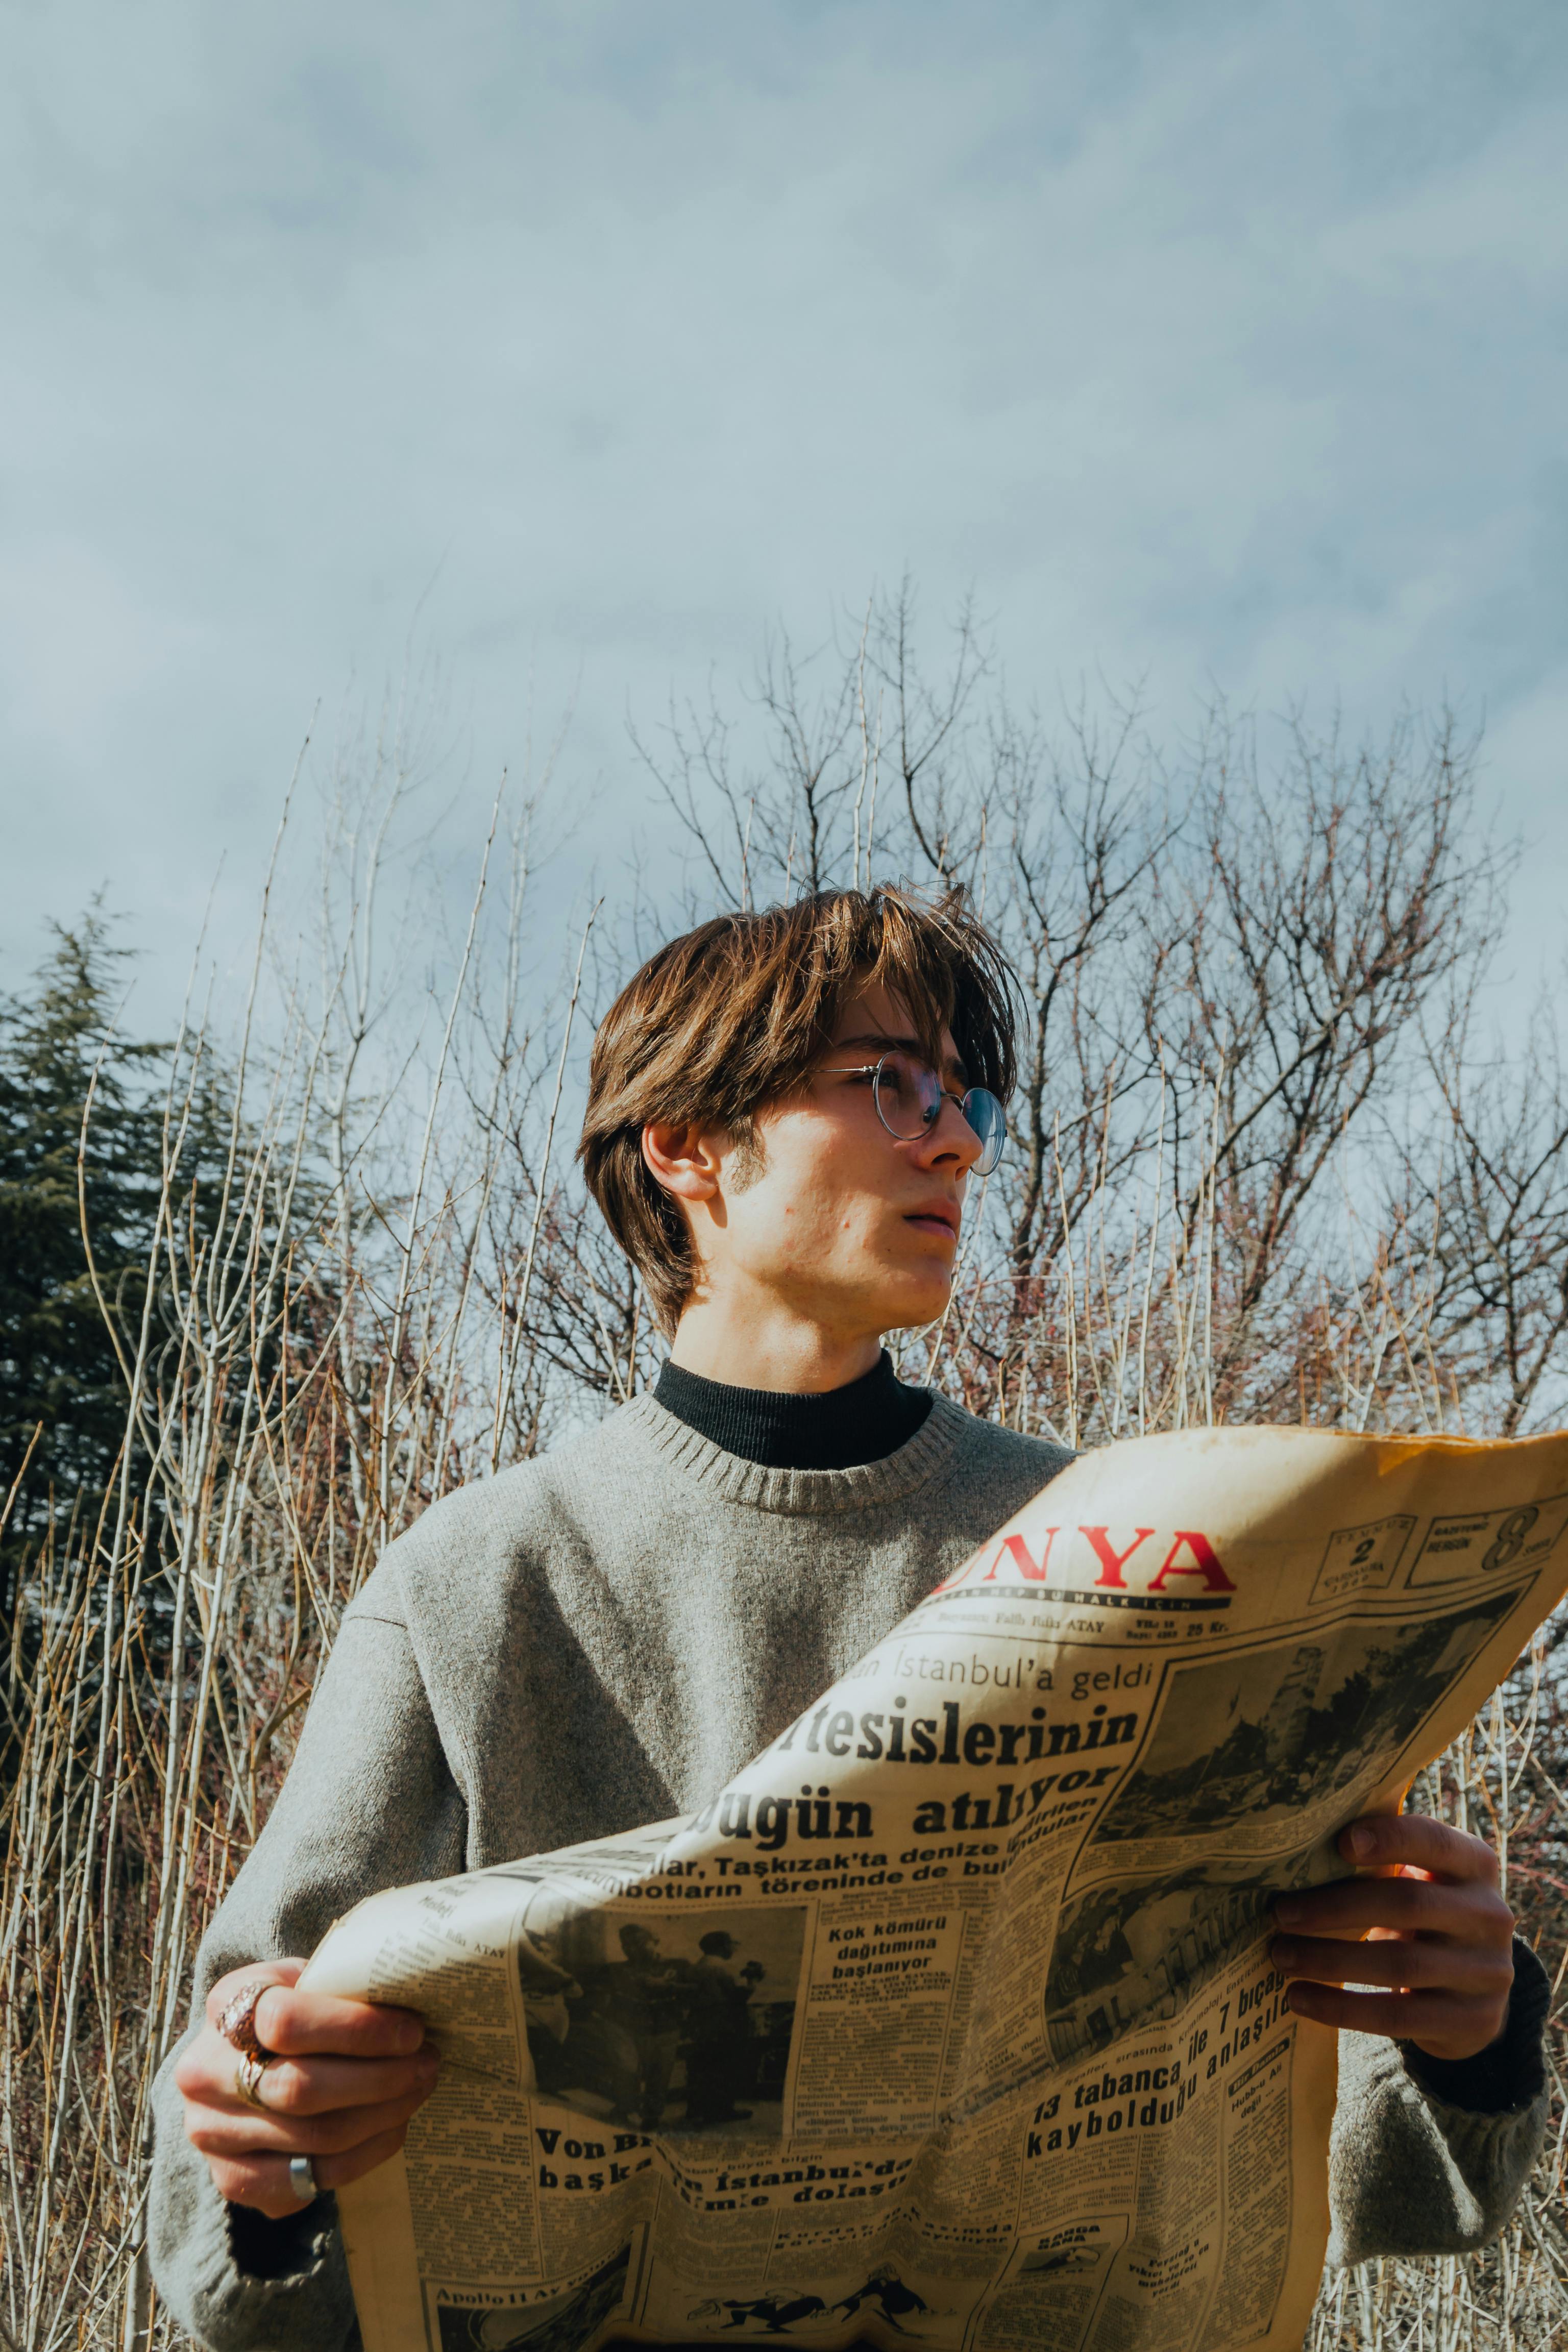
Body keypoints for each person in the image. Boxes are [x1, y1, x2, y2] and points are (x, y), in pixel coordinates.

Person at [152, 886, 1547, 2350]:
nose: (953, 1140)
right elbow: (220, 2223)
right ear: (687, 1145)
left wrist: (1471, 2030)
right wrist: (268, 2155)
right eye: (887, 1082)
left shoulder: (1127, 1546)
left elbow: (1398, 2197)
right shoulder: (474, 1580)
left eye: (964, 1098)